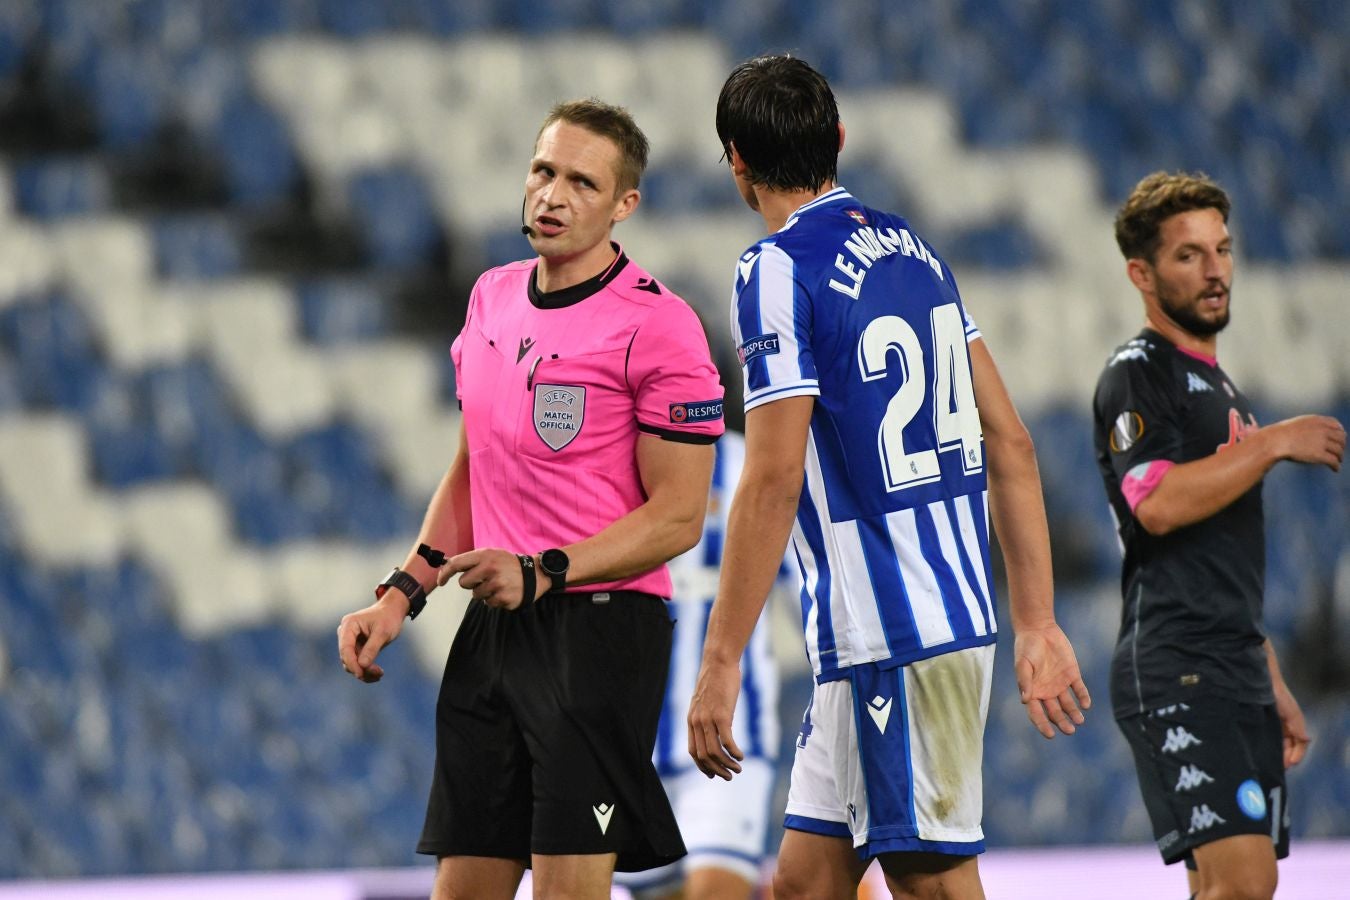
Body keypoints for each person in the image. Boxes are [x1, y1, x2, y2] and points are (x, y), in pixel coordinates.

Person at [685, 55, 1091, 900]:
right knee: (804, 886)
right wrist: (1037, 619)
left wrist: (720, 659)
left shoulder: (774, 268)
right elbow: (1011, 440)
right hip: (908, 628)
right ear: (839, 137)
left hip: (894, 632)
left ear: (737, 161)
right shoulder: (916, 252)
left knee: (932, 885)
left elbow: (772, 476)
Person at [337, 98, 726, 900]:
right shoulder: (491, 296)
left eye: (583, 183)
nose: (553, 195)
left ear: (625, 205)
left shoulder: (661, 326)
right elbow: (471, 470)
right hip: (495, 629)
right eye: (544, 171)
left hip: (599, 635)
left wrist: (544, 570)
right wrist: (401, 593)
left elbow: (680, 515)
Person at [1092, 171, 1345, 900]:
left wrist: (1270, 678)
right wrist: (1271, 444)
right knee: (1244, 881)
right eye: (1189, 254)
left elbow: (1220, 560)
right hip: (1178, 664)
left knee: (1229, 888)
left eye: (1223, 249)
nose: (1215, 270)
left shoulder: (1221, 387)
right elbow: (1156, 505)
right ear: (1141, 275)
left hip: (1233, 666)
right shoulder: (1138, 373)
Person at [618, 430, 788, 900]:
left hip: (730, 733)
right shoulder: (615, 464)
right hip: (630, 743)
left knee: (716, 890)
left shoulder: (752, 467)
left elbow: (808, 585)